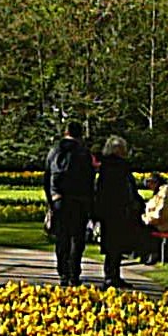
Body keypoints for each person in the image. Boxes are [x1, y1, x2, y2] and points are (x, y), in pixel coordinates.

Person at [44, 121, 96, 286]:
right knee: (77, 238)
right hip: (79, 200)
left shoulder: (54, 151)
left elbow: (47, 177)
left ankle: (63, 272)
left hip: (59, 199)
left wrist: (50, 200)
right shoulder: (83, 153)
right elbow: (89, 180)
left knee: (62, 238)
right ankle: (74, 273)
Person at [94, 135, 145, 288]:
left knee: (113, 247)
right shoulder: (117, 168)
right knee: (114, 246)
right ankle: (111, 277)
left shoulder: (107, 167)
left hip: (110, 212)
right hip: (117, 211)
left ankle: (112, 275)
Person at [144, 171, 168, 264]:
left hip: (165, 224)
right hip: (158, 221)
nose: (149, 186)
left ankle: (152, 253)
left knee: (143, 228)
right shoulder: (158, 192)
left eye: (150, 183)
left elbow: (162, 213)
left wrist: (147, 219)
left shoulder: (166, 193)